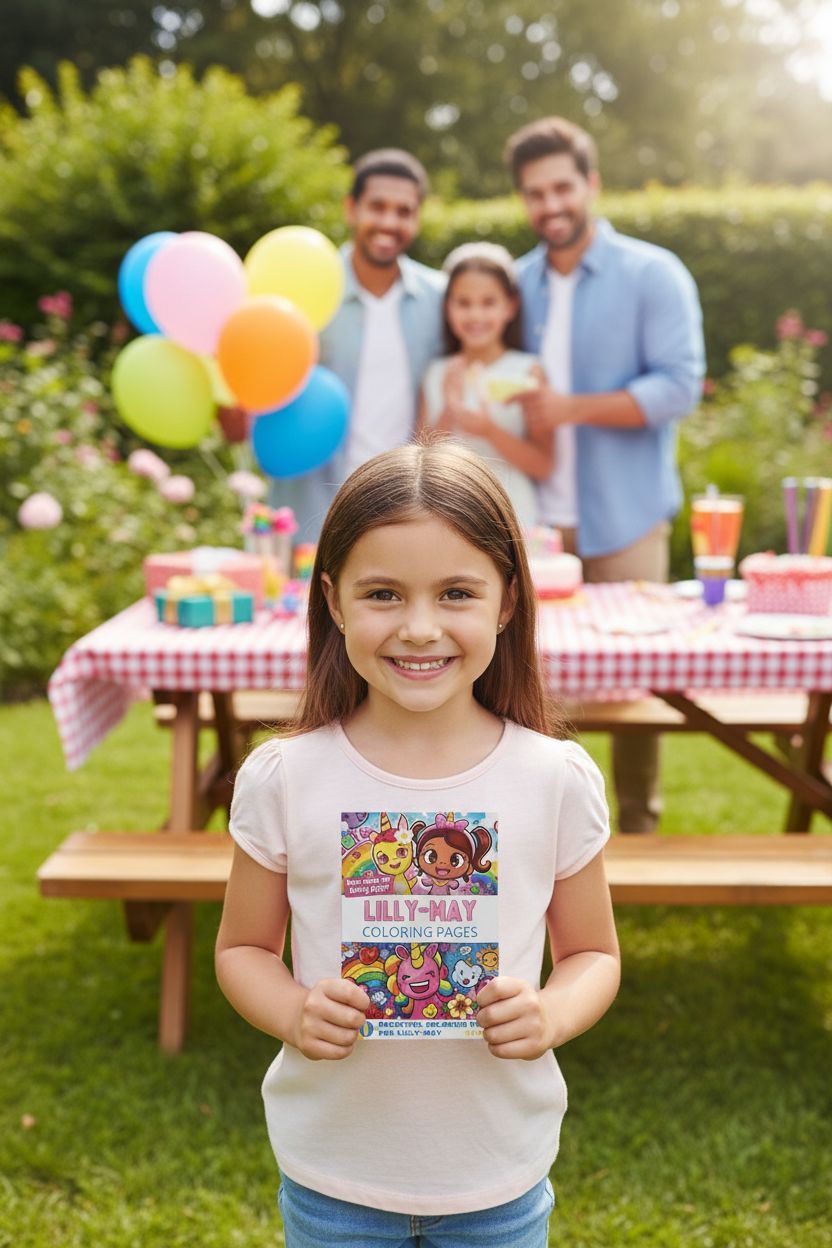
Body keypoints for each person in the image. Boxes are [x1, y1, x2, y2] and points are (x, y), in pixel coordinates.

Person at [216, 437, 620, 1247]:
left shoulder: (553, 778)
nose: (421, 627)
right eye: (384, 594)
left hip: (497, 1172)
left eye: (458, 592)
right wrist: (294, 1010)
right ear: (333, 601)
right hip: (333, 1172)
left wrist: (550, 1013)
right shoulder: (285, 777)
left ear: (507, 602)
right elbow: (241, 950)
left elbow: (594, 956)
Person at [505, 116, 706, 832]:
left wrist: (570, 407)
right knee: (528, 685)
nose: (550, 205)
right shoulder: (512, 284)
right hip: (532, 523)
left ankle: (638, 828)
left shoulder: (653, 274)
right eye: (535, 193)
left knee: (632, 689)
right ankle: (545, 838)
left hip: (625, 517)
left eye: (562, 187)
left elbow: (678, 388)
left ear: (590, 184)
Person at [271, 148, 445, 541]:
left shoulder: (440, 298)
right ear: (351, 208)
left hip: (404, 518)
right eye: (377, 207)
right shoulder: (303, 290)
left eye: (404, 211)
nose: (389, 221)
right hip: (312, 518)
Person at [417, 242, 552, 527]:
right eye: (463, 303)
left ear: (510, 306)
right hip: (447, 517)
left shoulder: (528, 371)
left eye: (488, 303)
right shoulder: (436, 372)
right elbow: (417, 460)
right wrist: (449, 412)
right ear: (447, 308)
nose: (475, 315)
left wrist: (489, 431)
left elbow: (543, 463)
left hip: (512, 515)